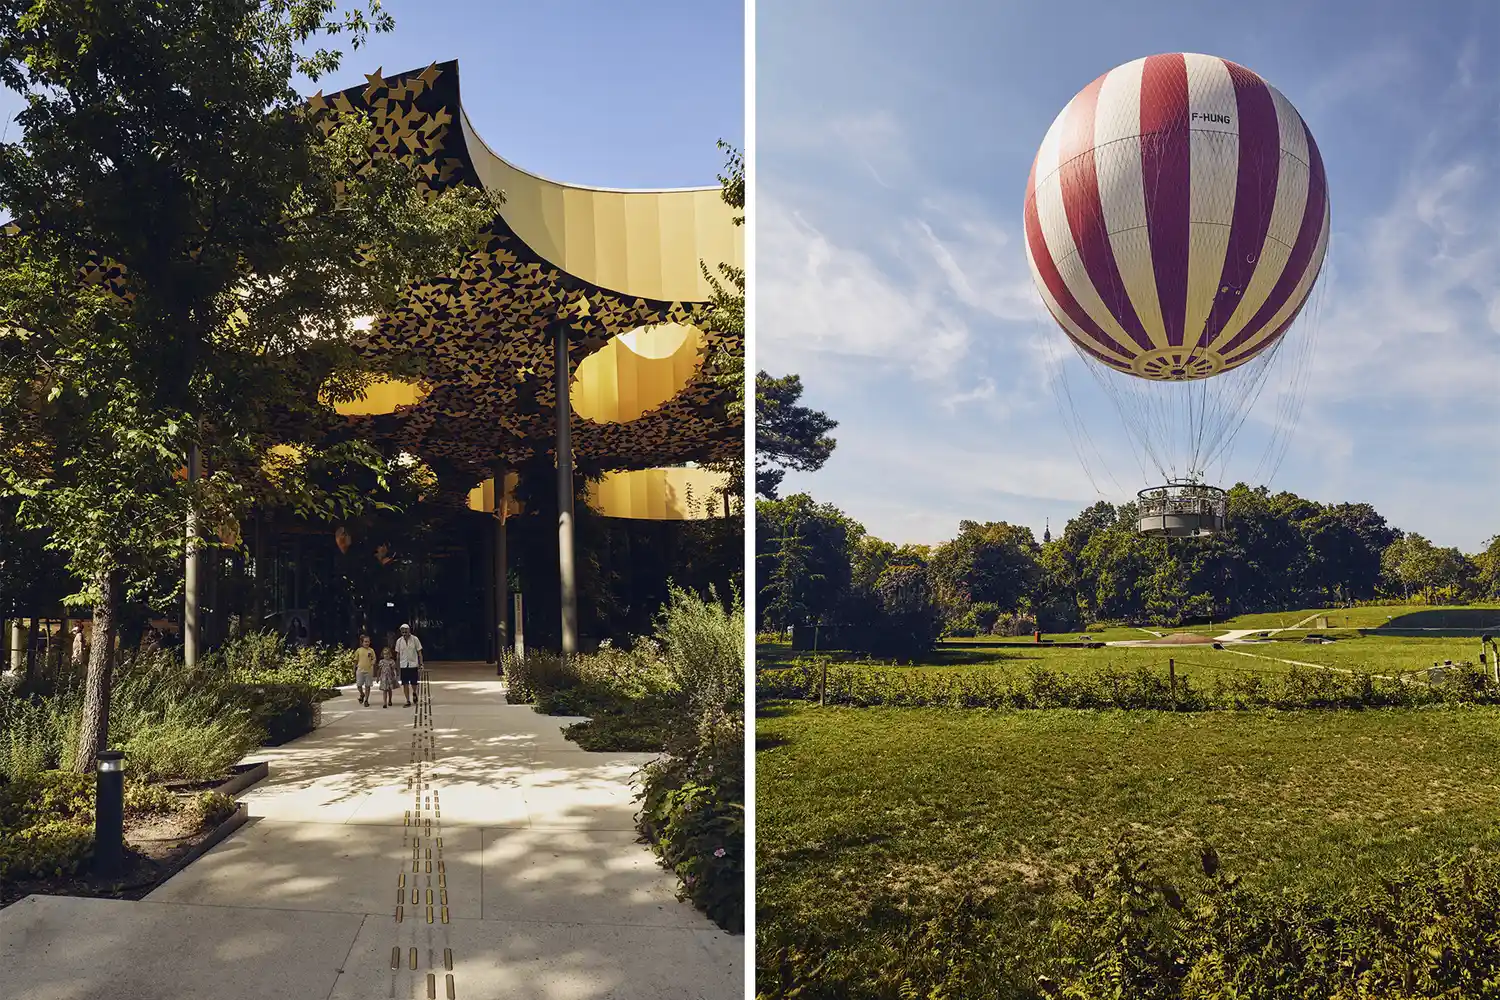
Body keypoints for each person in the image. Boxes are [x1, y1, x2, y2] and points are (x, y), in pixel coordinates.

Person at [395, 623, 423, 708]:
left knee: (414, 683)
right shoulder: (399, 641)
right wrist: (397, 667)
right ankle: (407, 700)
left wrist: (421, 663)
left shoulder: (415, 639)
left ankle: (414, 692)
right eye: (403, 631)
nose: (404, 633)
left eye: (406, 631)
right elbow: (398, 655)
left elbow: (419, 652)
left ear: (409, 631)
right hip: (403, 665)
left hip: (413, 664)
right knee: (405, 684)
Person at [354, 634, 375, 706]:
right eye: (365, 642)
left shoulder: (371, 650)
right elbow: (355, 660)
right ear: (362, 642)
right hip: (360, 670)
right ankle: (362, 694)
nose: (367, 643)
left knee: (367, 685)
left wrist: (373, 662)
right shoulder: (358, 650)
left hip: (368, 670)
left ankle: (366, 700)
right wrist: (354, 669)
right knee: (359, 685)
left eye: (368, 642)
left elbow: (374, 658)